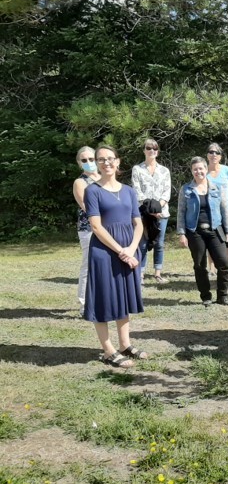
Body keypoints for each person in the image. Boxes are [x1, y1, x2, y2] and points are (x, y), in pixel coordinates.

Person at [84, 144, 147, 368]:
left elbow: (138, 224)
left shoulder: (129, 190)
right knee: (104, 299)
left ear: (118, 162)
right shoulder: (92, 190)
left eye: (110, 158)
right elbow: (96, 227)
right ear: (97, 164)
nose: (106, 162)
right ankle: (109, 350)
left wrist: (131, 249)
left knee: (123, 297)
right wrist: (121, 251)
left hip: (128, 249)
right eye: (101, 159)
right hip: (104, 251)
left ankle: (124, 344)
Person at [176, 157, 228, 306]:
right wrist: (181, 233)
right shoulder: (186, 189)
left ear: (206, 169)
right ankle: (206, 297)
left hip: (215, 229)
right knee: (200, 265)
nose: (198, 171)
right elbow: (181, 212)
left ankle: (222, 296)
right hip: (195, 232)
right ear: (191, 171)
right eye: (195, 169)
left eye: (201, 168)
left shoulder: (216, 187)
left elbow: (224, 210)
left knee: (224, 263)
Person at [131, 138, 171, 284]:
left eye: (154, 148)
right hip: (143, 212)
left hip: (162, 213)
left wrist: (158, 207)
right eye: (149, 148)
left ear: (158, 151)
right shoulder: (137, 169)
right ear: (144, 151)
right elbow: (137, 191)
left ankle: (158, 273)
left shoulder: (164, 171)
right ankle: (140, 274)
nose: (152, 151)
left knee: (159, 243)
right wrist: (150, 209)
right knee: (142, 243)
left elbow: (167, 192)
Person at [72, 145, 101, 317]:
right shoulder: (80, 182)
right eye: (84, 160)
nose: (89, 162)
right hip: (88, 229)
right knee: (88, 266)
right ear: (79, 163)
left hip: (110, 228)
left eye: (91, 159)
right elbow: (86, 206)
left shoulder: (105, 178)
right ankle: (84, 304)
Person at [206, 142, 228, 276]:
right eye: (211, 152)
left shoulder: (226, 170)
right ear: (207, 155)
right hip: (209, 210)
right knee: (211, 239)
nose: (214, 155)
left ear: (221, 156)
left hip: (227, 208)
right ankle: (211, 267)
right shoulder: (203, 170)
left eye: (217, 152)